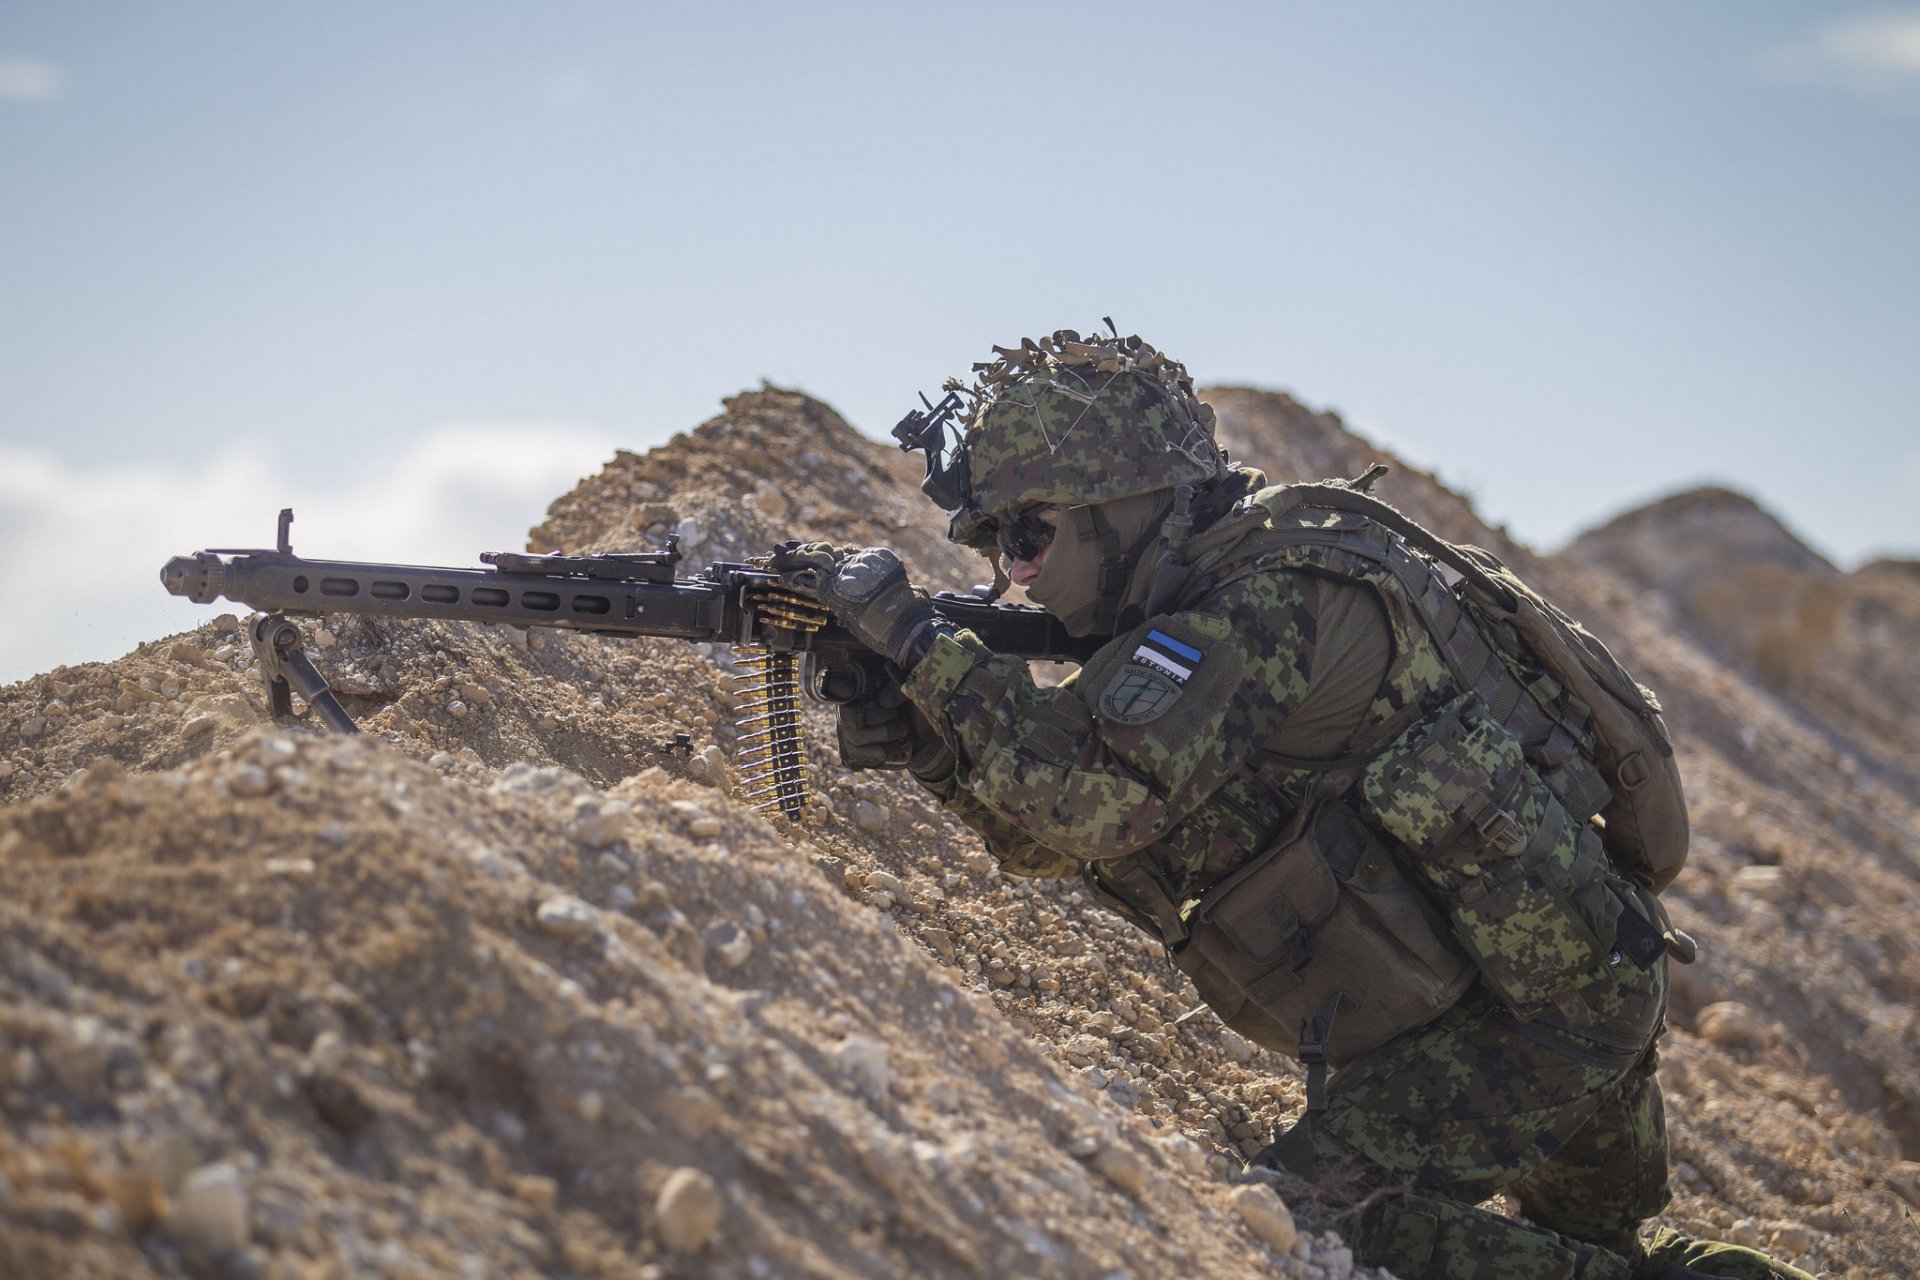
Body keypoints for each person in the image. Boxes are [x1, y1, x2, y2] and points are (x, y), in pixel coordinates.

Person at [772, 329, 1813, 1280]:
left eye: (1031, 537)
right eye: (1000, 548)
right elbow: (1070, 828)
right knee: (1597, 1248)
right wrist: (931, 750)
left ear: (1120, 502)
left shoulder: (1265, 606)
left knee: (1314, 1226)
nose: (1016, 575)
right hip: (1547, 984)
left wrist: (920, 646)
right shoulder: (1214, 607)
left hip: (1543, 1018)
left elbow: (1095, 798)